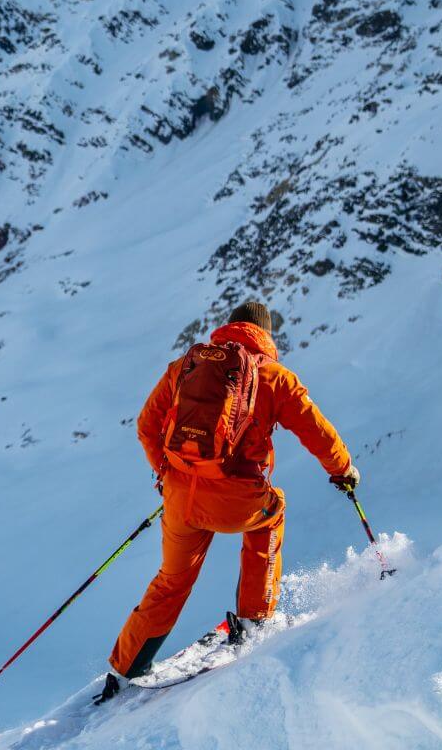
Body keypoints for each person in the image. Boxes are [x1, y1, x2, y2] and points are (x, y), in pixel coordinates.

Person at [100, 301, 357, 702]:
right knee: (272, 514)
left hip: (182, 498)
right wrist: (342, 469)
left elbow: (147, 426)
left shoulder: (186, 366)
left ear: (229, 327)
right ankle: (256, 619)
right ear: (265, 335)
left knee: (172, 579)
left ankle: (127, 664)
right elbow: (316, 431)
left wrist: (166, 471)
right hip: (238, 498)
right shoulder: (274, 377)